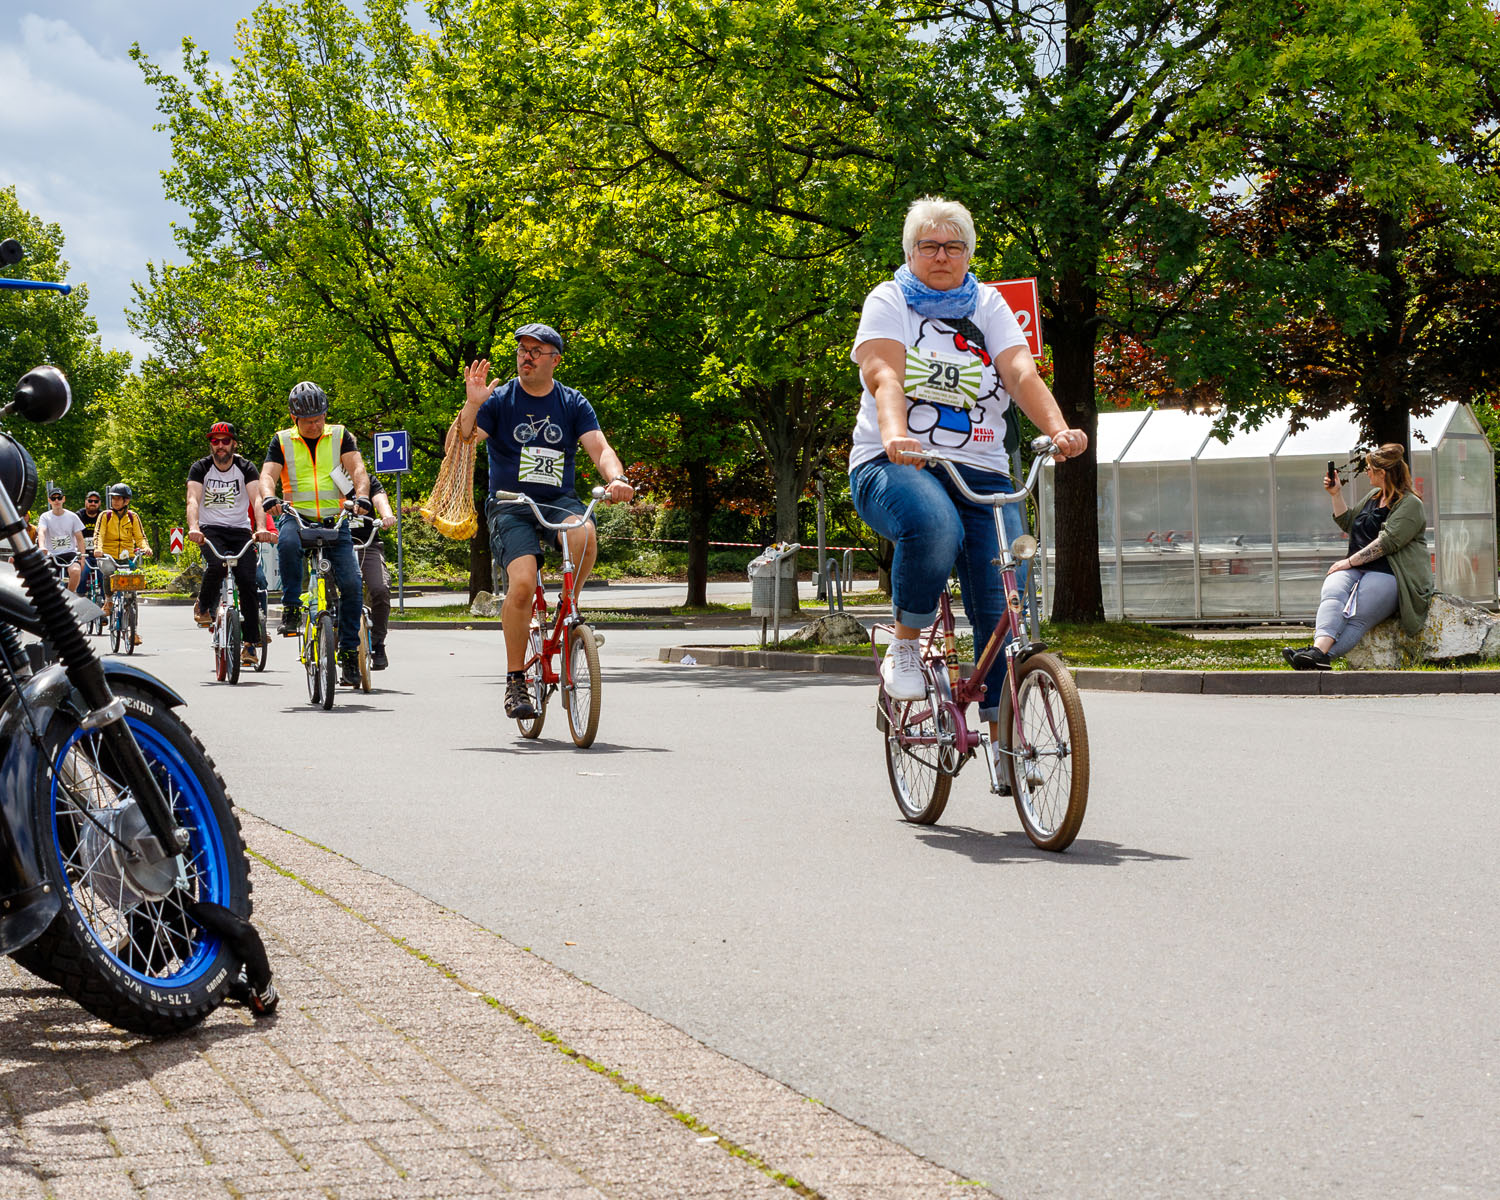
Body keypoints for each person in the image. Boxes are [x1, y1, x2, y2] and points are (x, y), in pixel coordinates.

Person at [848, 196, 1087, 743]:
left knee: (1006, 593)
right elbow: (884, 373)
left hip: (980, 468)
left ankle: (1009, 740)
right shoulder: (889, 301)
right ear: (910, 253)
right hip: (897, 465)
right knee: (935, 525)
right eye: (928, 246)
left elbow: (1020, 371)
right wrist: (893, 435)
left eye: (953, 246)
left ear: (968, 253)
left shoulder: (988, 303)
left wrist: (1057, 429)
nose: (941, 256)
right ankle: (906, 645)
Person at [458, 324, 634, 719]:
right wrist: (472, 404)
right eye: (522, 349)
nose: (527, 356)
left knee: (584, 533)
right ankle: (516, 680)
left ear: (555, 359)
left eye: (537, 351)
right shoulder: (499, 400)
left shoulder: (572, 403)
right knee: (521, 584)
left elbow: (600, 448)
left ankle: (569, 607)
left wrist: (617, 478)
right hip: (510, 504)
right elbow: (465, 439)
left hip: (557, 501)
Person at [259, 381, 372, 687]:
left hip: (334, 519)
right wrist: (270, 498)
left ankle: (349, 652)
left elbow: (358, 470)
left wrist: (361, 497)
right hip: (297, 515)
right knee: (287, 544)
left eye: (320, 417)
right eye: (309, 420)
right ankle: (293, 606)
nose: (315, 423)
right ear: (294, 418)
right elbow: (267, 475)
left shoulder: (339, 435)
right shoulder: (281, 440)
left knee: (352, 583)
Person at [1283, 444, 1434, 669]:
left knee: (1356, 617)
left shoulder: (1411, 504)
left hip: (1389, 572)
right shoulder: (1374, 496)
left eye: (1370, 469)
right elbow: (1349, 522)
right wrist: (1336, 494)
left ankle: (1317, 655)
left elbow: (1387, 543)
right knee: (1332, 594)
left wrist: (1348, 562)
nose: (1367, 472)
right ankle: (1316, 652)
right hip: (1357, 567)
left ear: (1383, 473)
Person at [187, 421, 275, 665]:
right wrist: (194, 528)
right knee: (216, 565)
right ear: (211, 445)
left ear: (234, 443)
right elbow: (192, 500)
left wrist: (260, 528)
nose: (220, 445)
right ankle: (203, 606)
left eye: (225, 441)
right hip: (210, 530)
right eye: (215, 441)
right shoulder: (200, 468)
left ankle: (249, 644)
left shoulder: (245, 468)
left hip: (240, 531)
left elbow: (257, 499)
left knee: (248, 581)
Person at [95, 483, 152, 644]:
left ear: (126, 501)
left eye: (118, 499)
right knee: (107, 571)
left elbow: (140, 536)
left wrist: (145, 548)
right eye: (113, 498)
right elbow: (99, 534)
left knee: (132, 593)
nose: (115, 501)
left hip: (127, 556)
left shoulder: (133, 517)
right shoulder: (105, 516)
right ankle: (108, 601)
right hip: (109, 555)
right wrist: (98, 549)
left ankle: (133, 631)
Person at [351, 475, 397, 670]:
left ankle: (377, 643)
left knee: (380, 588)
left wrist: (386, 514)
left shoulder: (368, 480)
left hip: (368, 543)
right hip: (334, 543)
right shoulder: (326, 475)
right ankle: (334, 639)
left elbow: (380, 498)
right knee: (331, 595)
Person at [36, 488, 86, 592]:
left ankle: (71, 595)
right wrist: (42, 546)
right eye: (53, 499)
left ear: (63, 499)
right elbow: (42, 532)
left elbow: (80, 539)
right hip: (51, 554)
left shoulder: (72, 516)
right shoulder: (45, 517)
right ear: (49, 501)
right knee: (44, 578)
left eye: (59, 498)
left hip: (69, 553)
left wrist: (82, 557)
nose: (56, 501)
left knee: (76, 571)